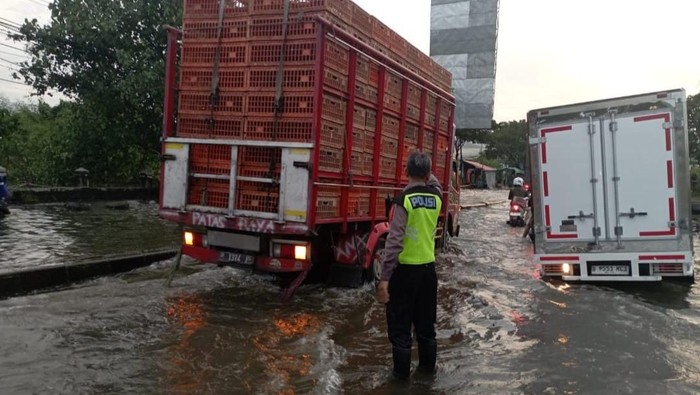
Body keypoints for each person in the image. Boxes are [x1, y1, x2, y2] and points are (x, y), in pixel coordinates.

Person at [376, 151, 443, 380]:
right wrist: (426, 173)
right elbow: (434, 182)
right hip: (428, 272)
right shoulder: (437, 197)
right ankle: (427, 375)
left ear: (405, 172)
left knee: (401, 329)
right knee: (426, 327)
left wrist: (384, 279)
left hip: (404, 273)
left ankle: (400, 380)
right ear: (427, 173)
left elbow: (393, 242)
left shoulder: (402, 201)